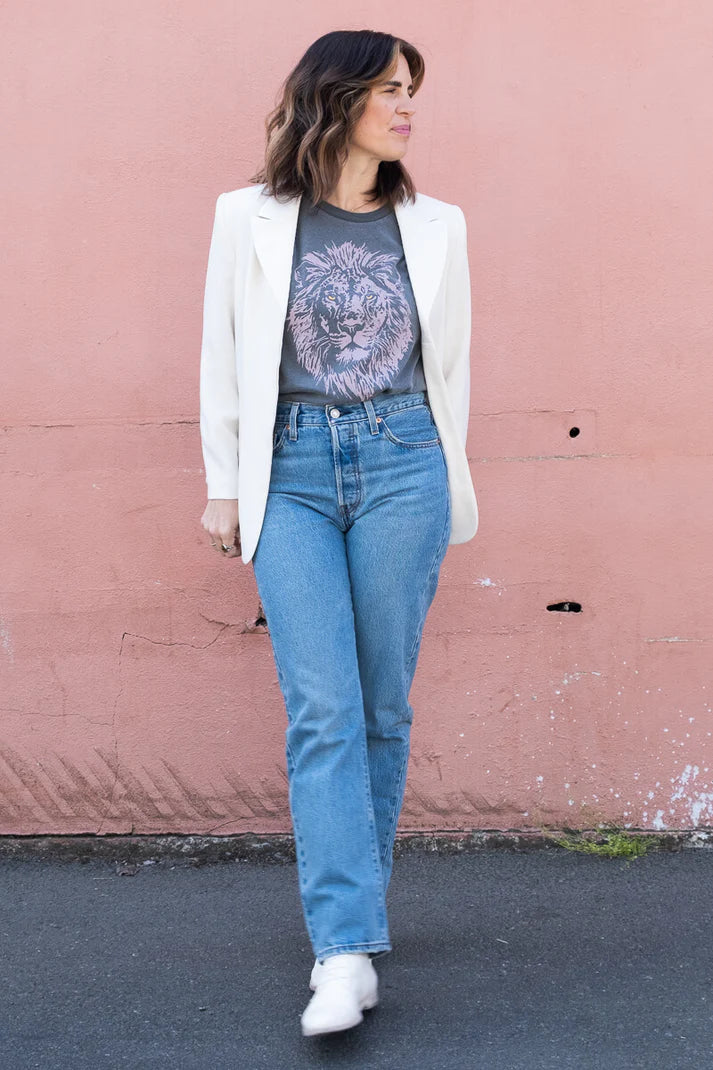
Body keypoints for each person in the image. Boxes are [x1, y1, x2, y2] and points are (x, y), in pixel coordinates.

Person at [198, 28, 479, 1037]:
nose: (406, 108)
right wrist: (224, 484)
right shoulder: (248, 215)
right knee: (322, 706)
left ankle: (350, 931)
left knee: (380, 707)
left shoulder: (436, 224)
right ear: (337, 97)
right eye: (389, 90)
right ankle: (344, 949)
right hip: (291, 470)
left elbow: (450, 367)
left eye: (411, 91)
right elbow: (223, 351)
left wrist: (443, 469)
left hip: (403, 459)